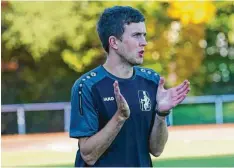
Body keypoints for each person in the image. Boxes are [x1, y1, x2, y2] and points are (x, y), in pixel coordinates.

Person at [69, 6, 190, 167]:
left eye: (144, 35)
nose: (144, 43)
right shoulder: (87, 86)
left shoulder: (152, 81)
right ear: (114, 42)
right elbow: (88, 155)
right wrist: (119, 117)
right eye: (136, 35)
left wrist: (162, 113)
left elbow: (157, 149)